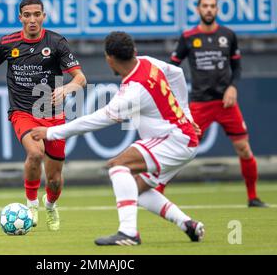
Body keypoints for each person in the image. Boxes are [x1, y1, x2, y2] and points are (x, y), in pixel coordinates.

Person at [31, 31, 205, 246]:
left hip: (173, 140)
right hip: (181, 137)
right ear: (134, 51)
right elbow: (177, 73)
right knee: (136, 189)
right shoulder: (148, 62)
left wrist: (51, 132)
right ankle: (188, 225)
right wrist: (186, 115)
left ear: (109, 59)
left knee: (117, 167)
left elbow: (96, 120)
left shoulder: (134, 90)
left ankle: (128, 233)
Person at [0, 0, 87, 231]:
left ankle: (50, 205)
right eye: (27, 15)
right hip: (23, 111)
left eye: (37, 14)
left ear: (44, 16)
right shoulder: (8, 43)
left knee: (54, 180)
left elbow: (81, 79)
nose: (32, 19)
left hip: (52, 114)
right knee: (35, 154)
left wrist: (67, 88)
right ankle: (31, 205)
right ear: (20, 18)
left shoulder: (56, 42)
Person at [169, 0, 267, 207]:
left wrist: (232, 87)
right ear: (198, 10)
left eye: (213, 6)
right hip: (199, 103)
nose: (209, 10)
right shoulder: (188, 37)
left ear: (217, 10)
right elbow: (172, 66)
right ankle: (157, 190)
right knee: (180, 149)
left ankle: (253, 197)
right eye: (205, 6)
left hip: (226, 104)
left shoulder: (228, 35)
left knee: (244, 148)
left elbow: (237, 66)